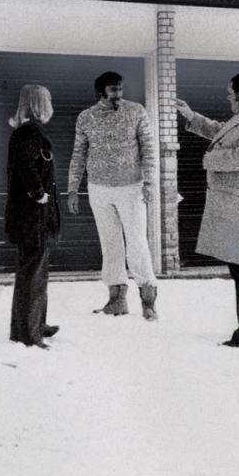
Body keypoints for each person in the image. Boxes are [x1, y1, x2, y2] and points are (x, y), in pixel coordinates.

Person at [175, 71, 239, 348]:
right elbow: (222, 133)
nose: (228, 99)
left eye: (229, 93)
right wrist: (191, 117)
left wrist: (209, 159)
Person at [66, 71, 159, 320]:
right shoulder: (86, 118)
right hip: (98, 188)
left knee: (137, 242)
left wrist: (150, 182)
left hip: (131, 188)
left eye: (120, 89)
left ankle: (148, 301)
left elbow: (149, 149)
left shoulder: (137, 111)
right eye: (113, 90)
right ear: (101, 92)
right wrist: (73, 189)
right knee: (110, 244)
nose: (118, 94)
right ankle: (116, 300)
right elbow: (78, 155)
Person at [5, 83, 62, 348]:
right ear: (39, 104)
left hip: (29, 215)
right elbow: (27, 167)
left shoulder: (24, 131)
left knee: (34, 270)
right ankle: (30, 332)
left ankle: (33, 324)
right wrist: (38, 193)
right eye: (47, 101)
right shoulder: (31, 133)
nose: (51, 106)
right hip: (33, 215)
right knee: (33, 273)